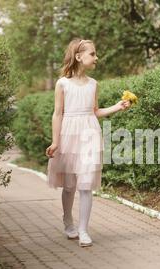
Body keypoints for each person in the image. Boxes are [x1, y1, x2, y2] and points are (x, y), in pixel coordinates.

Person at [45, 38, 131, 247]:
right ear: (78, 57)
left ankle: (83, 230)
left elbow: (95, 111)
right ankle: (68, 222)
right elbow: (57, 114)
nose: (96, 58)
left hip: (90, 134)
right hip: (69, 134)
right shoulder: (62, 84)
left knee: (85, 184)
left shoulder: (94, 84)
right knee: (69, 185)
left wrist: (117, 107)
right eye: (92, 54)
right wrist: (55, 142)